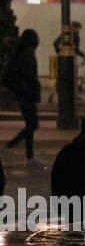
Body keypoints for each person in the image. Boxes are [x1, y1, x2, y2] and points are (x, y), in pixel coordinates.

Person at [4, 29, 43, 165]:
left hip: (23, 94)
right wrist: (34, 89)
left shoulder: (20, 53)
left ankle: (29, 156)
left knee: (31, 125)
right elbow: (29, 75)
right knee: (32, 125)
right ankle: (12, 144)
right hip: (27, 94)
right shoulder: (28, 54)